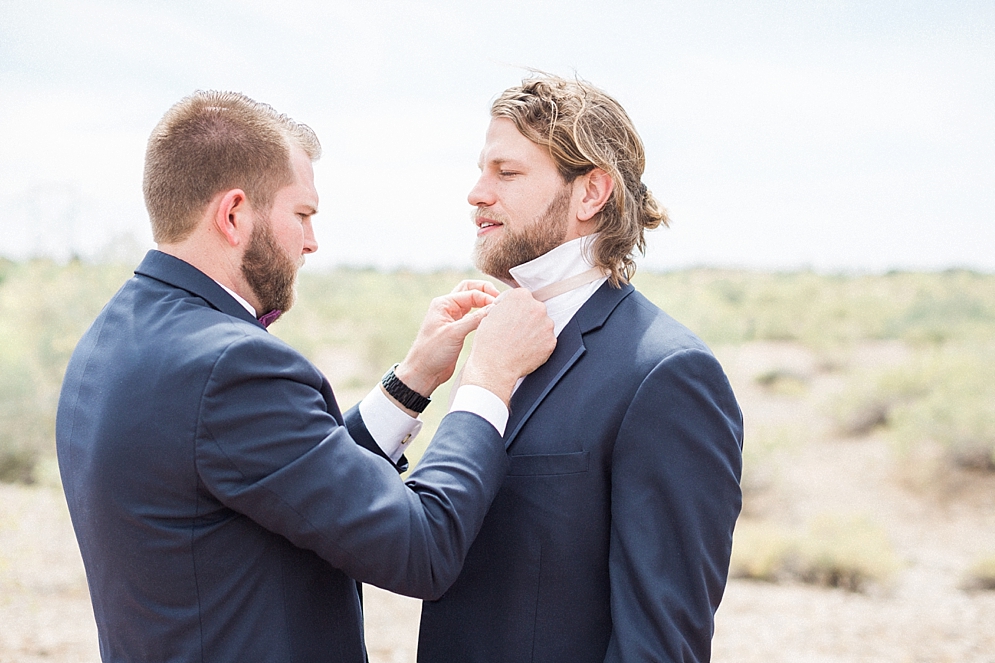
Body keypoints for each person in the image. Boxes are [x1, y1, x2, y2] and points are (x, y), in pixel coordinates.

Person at [55, 90, 556, 663]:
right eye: (302, 214)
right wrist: (487, 380)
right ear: (235, 214)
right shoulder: (230, 368)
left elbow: (285, 478)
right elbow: (422, 547)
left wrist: (411, 382)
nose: (312, 242)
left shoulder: (111, 338)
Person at [417, 75, 744, 662]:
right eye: (480, 170)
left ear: (591, 192)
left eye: (506, 173)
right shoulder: (499, 347)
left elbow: (660, 644)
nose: (476, 193)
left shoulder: (667, 375)